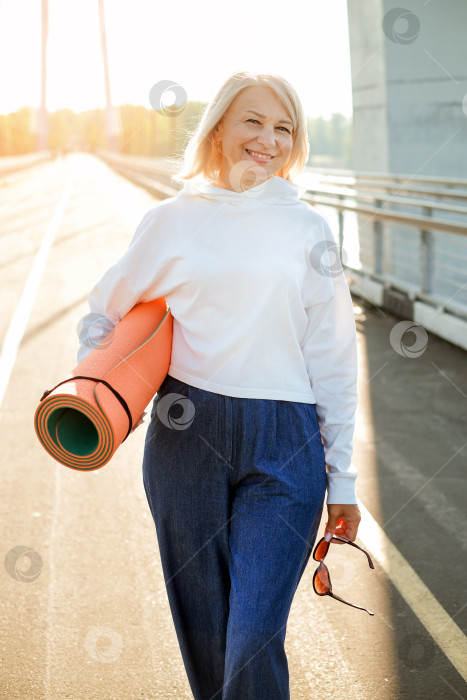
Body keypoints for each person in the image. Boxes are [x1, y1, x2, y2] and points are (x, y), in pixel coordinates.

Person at [77, 70, 361, 700]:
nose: (268, 139)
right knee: (206, 640)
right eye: (253, 121)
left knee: (254, 634)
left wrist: (342, 477)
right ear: (219, 130)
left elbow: (336, 357)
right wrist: (88, 386)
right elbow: (104, 311)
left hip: (286, 446)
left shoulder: (310, 230)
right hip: (187, 434)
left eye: (284, 127)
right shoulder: (171, 222)